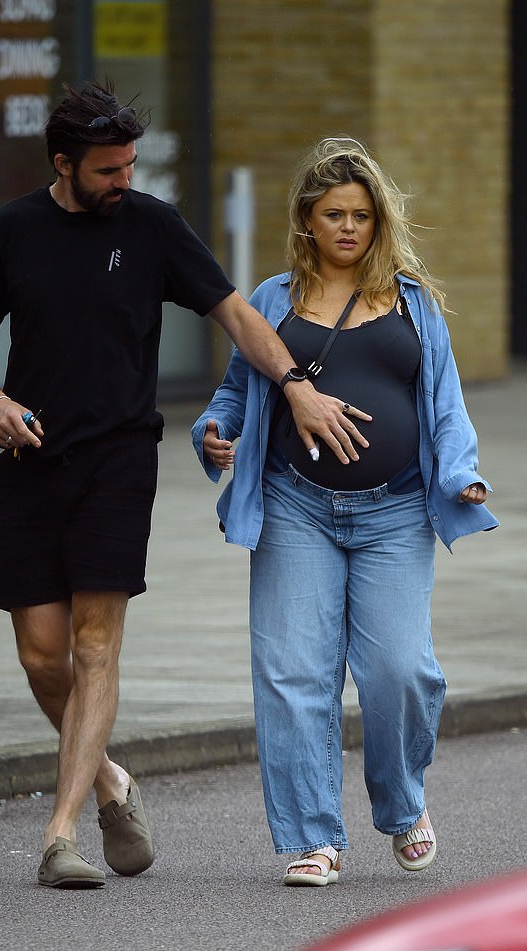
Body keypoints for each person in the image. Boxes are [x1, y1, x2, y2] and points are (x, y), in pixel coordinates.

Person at [0, 80, 347, 889]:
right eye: (108, 169)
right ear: (65, 164)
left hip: (119, 463)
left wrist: (295, 384)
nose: (124, 179)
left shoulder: (153, 226)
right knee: (40, 655)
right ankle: (109, 778)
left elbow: (235, 313)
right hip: (31, 463)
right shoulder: (14, 229)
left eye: (131, 164)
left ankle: (61, 833)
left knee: (95, 644)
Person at [192, 137, 498, 887]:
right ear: (307, 219)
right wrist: (214, 433)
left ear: (378, 219)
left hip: (394, 511)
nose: (349, 227)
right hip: (297, 506)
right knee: (294, 672)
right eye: (334, 214)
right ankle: (312, 837)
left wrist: (461, 475)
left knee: (400, 669)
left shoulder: (413, 302)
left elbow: (447, 406)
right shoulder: (271, 301)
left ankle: (402, 802)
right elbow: (236, 391)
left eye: (362, 214)